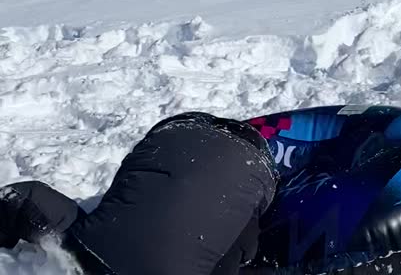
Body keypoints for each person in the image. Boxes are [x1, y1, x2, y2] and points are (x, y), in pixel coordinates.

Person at [0, 112, 278, 275]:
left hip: (215, 146)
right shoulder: (84, 249)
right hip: (176, 136)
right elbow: (26, 197)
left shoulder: (85, 249)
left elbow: (242, 246)